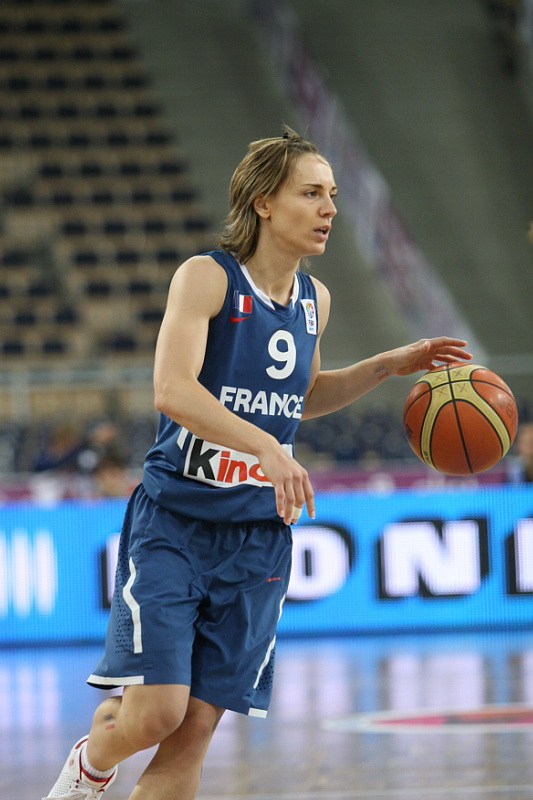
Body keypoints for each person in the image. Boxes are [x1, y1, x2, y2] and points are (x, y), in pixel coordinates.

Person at [43, 127, 471, 800]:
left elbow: (302, 395)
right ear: (263, 201)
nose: (329, 208)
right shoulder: (207, 277)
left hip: (256, 537)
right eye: (311, 193)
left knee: (194, 730)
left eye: (333, 194)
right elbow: (172, 390)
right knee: (156, 714)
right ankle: (91, 765)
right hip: (177, 519)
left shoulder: (314, 300)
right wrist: (266, 446)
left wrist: (387, 365)